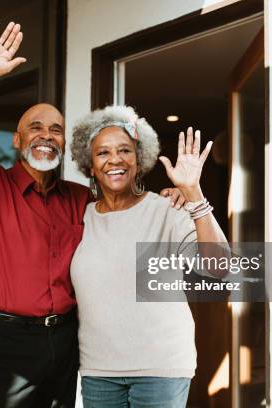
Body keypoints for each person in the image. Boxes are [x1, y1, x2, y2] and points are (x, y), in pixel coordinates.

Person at [0, 22, 185, 407]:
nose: (47, 135)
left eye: (56, 129)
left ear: (65, 141)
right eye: (36, 127)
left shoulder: (79, 198)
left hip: (67, 341)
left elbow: (121, 199)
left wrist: (173, 195)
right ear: (17, 138)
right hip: (6, 341)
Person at [70, 105, 229, 407]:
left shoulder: (167, 210)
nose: (114, 159)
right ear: (90, 165)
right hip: (98, 371)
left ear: (139, 159)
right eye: (103, 153)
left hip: (161, 369)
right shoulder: (78, 217)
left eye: (124, 151)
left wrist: (193, 193)